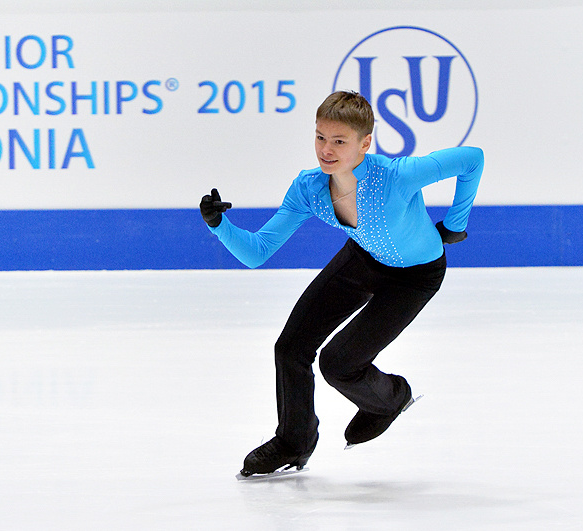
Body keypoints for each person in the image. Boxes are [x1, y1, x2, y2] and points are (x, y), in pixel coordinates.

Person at [200, 91, 484, 478]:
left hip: (416, 277)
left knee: (339, 364)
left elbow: (472, 159)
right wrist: (219, 226)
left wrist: (456, 224)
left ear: (364, 143)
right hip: (363, 260)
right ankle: (293, 442)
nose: (326, 150)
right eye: (320, 137)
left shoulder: (397, 176)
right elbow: (259, 251)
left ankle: (390, 399)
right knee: (290, 347)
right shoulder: (309, 188)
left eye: (339, 141)